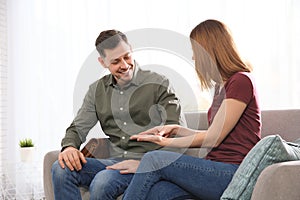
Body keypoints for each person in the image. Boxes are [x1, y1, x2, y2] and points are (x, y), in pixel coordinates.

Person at [122, 19, 261, 200]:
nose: (194, 58)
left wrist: (164, 143)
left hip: (233, 173)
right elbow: (217, 132)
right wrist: (177, 129)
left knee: (154, 158)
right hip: (215, 167)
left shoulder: (241, 81)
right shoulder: (222, 87)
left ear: (210, 51)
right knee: (159, 190)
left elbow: (214, 138)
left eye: (195, 51)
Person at [51, 29, 185, 200]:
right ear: (103, 62)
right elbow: (78, 127)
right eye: (115, 61)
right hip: (114, 163)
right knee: (60, 168)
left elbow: (178, 134)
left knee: (103, 181)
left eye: (127, 57)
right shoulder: (97, 90)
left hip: (147, 164)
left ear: (132, 49)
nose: (124, 65)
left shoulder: (159, 83)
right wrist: (69, 146)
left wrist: (146, 164)